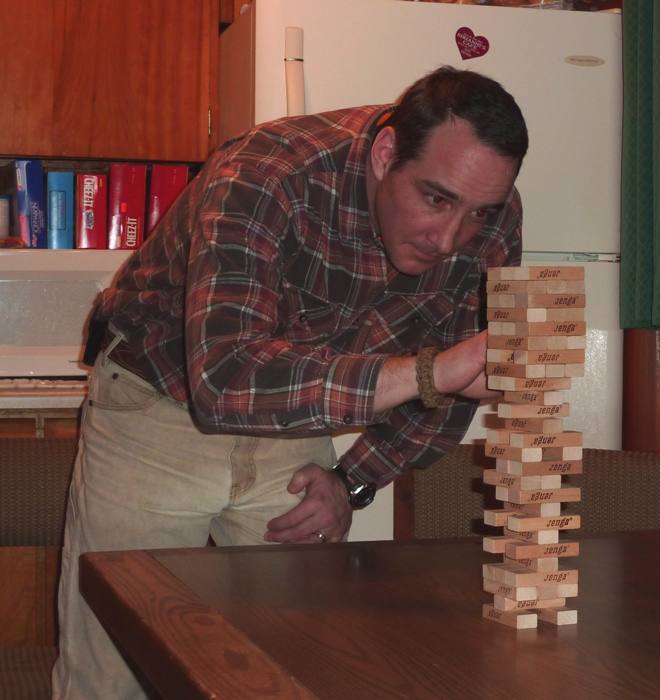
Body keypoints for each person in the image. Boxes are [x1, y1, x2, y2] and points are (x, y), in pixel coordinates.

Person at [52, 65, 528, 699]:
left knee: (298, 660)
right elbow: (224, 377)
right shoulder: (266, 171)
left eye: (479, 212)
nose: (450, 238)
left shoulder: (490, 218)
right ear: (387, 154)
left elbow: (462, 376)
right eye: (435, 199)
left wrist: (352, 479)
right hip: (156, 405)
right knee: (115, 670)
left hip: (297, 422)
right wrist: (427, 372)